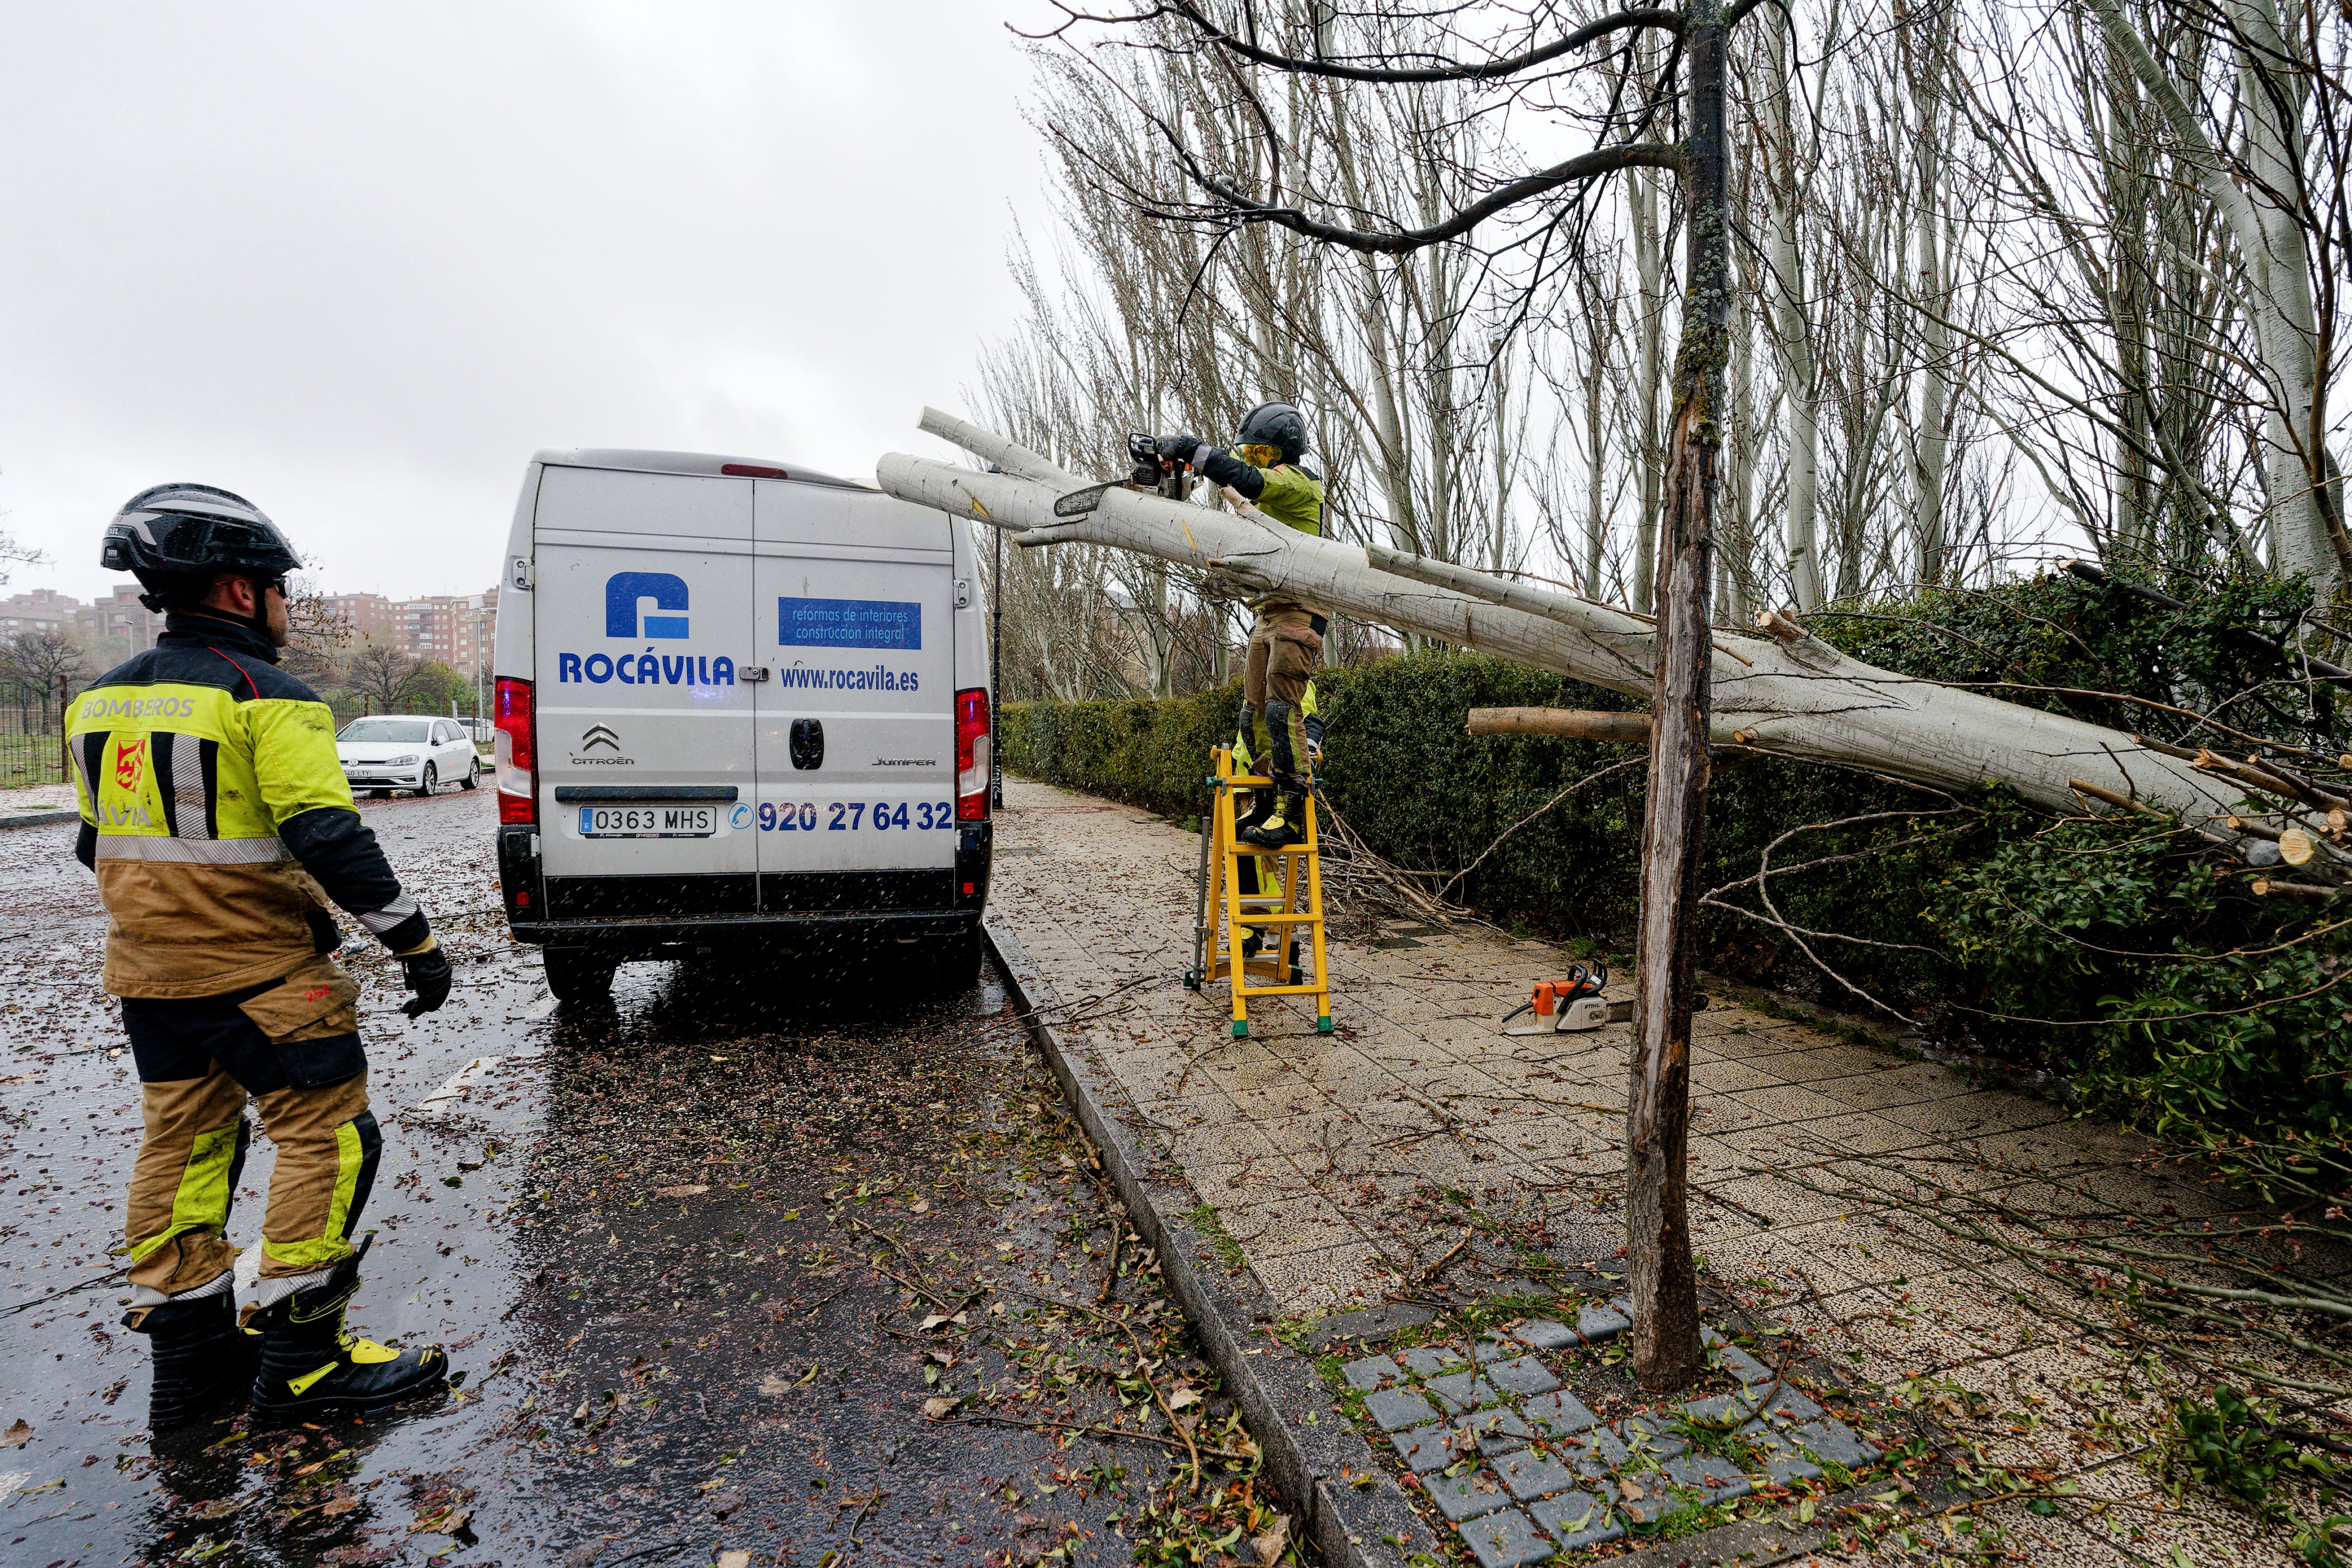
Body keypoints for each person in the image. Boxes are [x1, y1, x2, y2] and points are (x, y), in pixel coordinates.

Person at [77, 484, 454, 1429]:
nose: (287, 605)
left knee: (188, 1145)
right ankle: (304, 1363)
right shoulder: (265, 696)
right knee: (330, 1138)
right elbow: (328, 836)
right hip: (264, 973)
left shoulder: (98, 701)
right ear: (242, 592)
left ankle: (192, 1365)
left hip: (148, 978)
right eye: (282, 588)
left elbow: (98, 844)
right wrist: (415, 941)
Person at [1155, 400, 1327, 849]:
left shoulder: (1301, 484)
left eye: (1262, 455)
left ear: (1284, 454)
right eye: (1248, 454)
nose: (1254, 464)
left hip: (1299, 609)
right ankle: (1266, 799)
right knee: (1252, 711)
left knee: (1281, 705)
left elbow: (1250, 481)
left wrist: (1198, 453)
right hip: (1269, 610)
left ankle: (1292, 809)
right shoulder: (1264, 499)